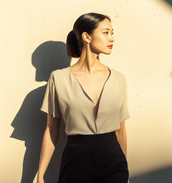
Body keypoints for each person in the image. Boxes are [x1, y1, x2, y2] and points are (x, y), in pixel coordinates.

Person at [37, 12, 131, 183]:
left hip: (113, 161)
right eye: (105, 32)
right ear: (87, 37)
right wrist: (40, 175)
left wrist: (126, 171)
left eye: (112, 33)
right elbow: (52, 130)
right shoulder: (58, 79)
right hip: (75, 161)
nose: (111, 39)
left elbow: (121, 131)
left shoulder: (118, 79)